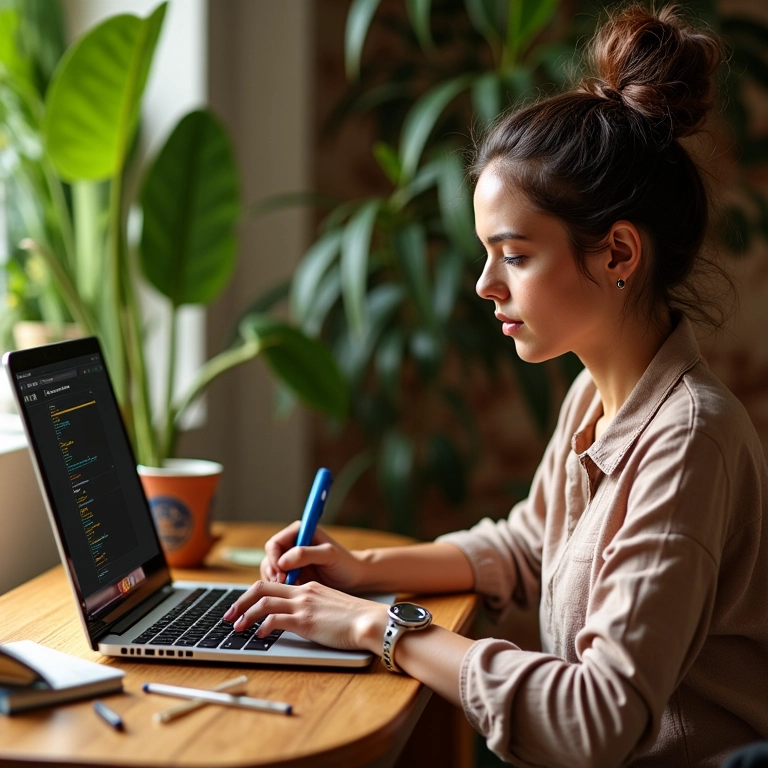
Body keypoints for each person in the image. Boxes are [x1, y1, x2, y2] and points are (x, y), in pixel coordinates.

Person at [223, 4, 768, 766]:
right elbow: (528, 547)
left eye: (513, 255)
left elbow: (594, 719)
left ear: (617, 254)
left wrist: (374, 627)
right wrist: (364, 571)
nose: (484, 285)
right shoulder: (597, 399)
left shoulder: (687, 440)